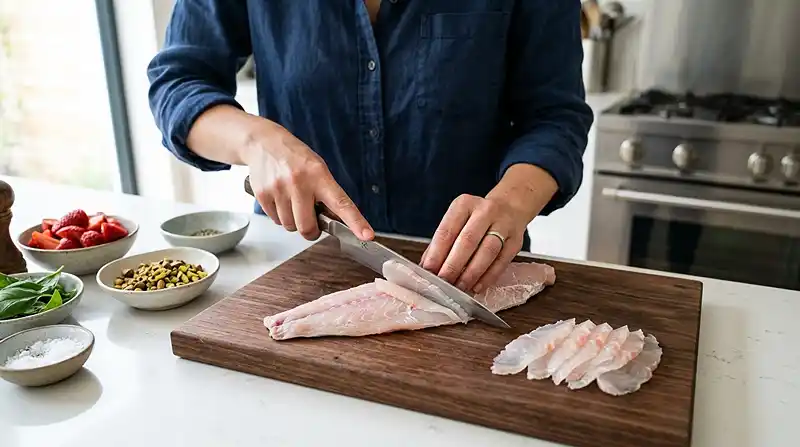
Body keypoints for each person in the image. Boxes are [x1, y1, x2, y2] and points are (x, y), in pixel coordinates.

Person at [147, 1, 593, 295]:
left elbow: (555, 116)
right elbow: (178, 83)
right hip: (294, 260)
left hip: (472, 268)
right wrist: (256, 141)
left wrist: (511, 203)